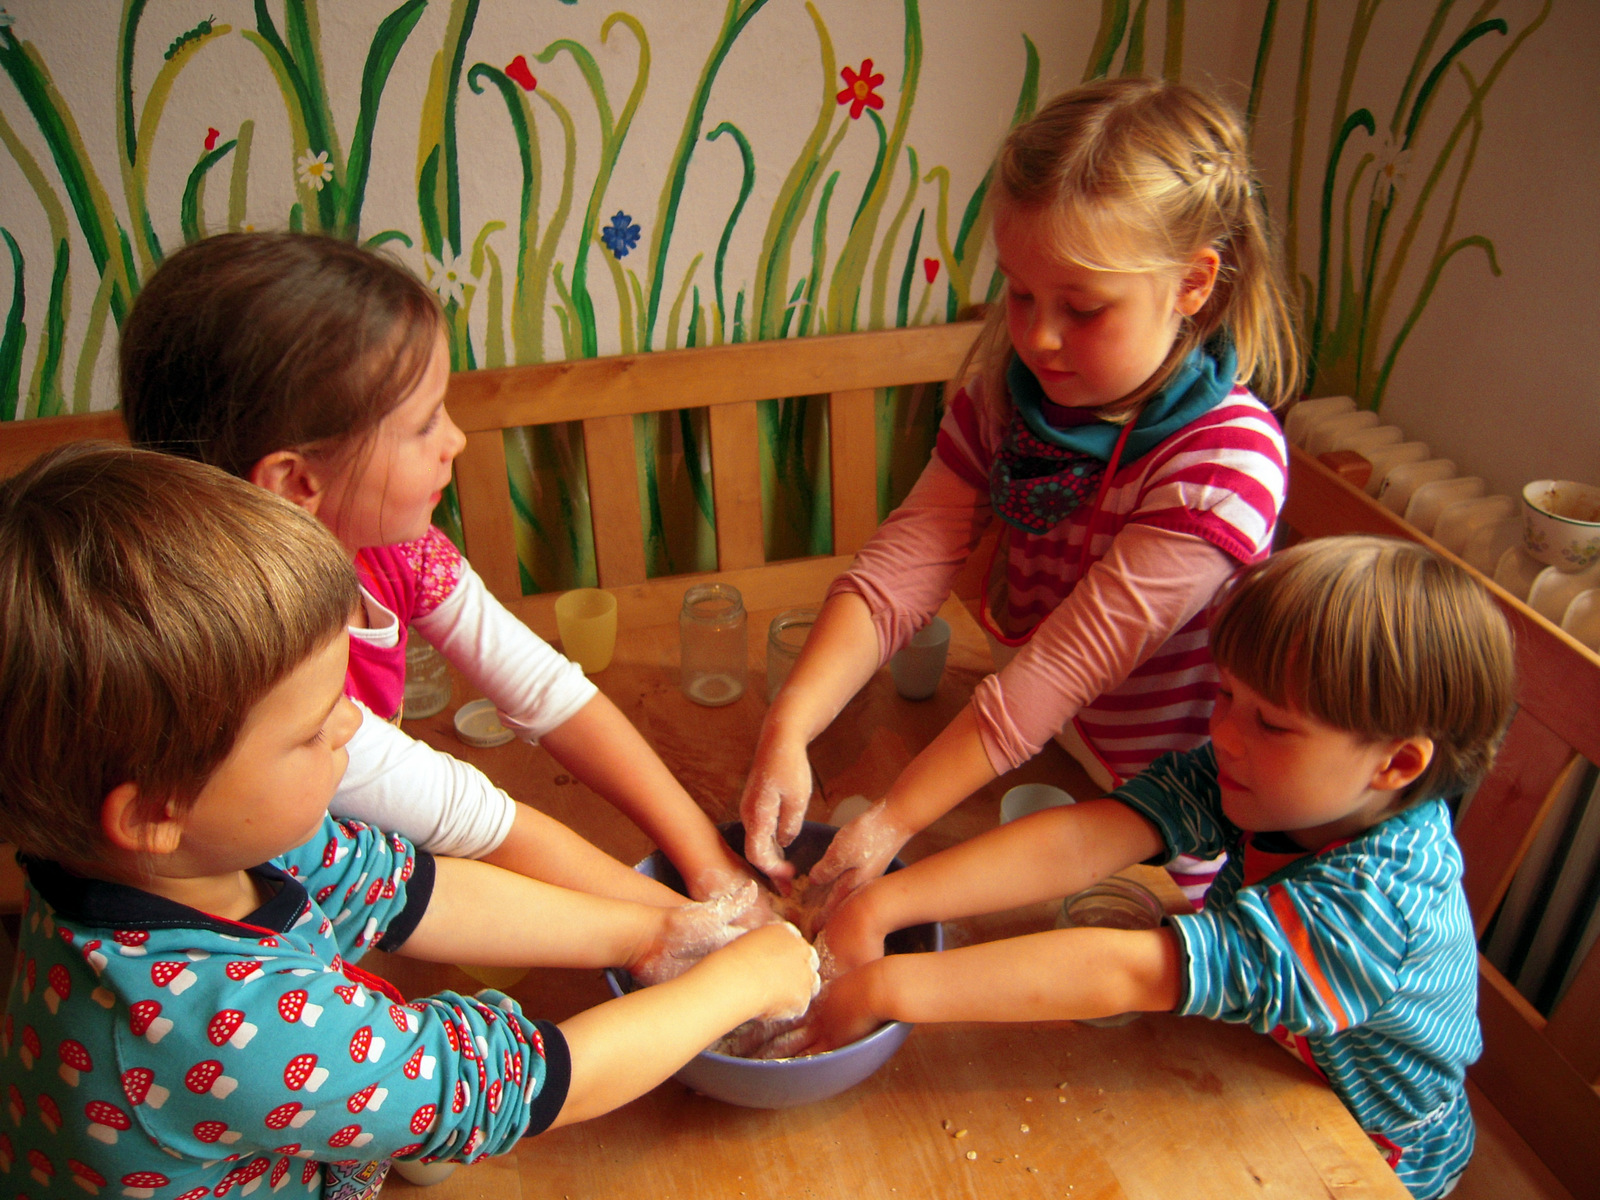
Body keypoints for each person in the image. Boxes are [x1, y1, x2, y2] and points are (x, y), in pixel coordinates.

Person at [0, 444, 817, 1193]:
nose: (353, 729)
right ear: (149, 812)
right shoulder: (213, 1026)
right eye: (315, 727)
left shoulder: (196, 849)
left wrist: (647, 936)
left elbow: (410, 890)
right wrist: (736, 983)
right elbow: (536, 1084)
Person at [802, 536, 1512, 1200]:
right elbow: (1088, 838)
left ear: (1396, 763)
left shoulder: (1376, 906)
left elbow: (1134, 970)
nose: (1225, 733)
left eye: (1271, 722)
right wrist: (882, 904)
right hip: (1266, 1058)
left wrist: (891, 984)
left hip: (1369, 1153)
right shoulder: (1276, 782)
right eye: (1227, 694)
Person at [741, 77, 1299, 910]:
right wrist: (791, 723)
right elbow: (902, 568)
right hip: (1042, 747)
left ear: (1193, 284)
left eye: (1082, 307)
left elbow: (1065, 667)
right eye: (1021, 291)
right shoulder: (1011, 397)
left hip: (1167, 814)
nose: (1037, 336)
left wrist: (893, 820)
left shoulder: (1225, 466)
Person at [120, 231, 753, 908]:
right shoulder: (258, 673)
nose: (456, 441)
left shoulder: (392, 551)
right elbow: (470, 815)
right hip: (286, 932)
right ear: (296, 480)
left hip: (387, 882)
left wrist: (709, 862)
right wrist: (695, 924)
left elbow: (543, 689)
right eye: (424, 425)